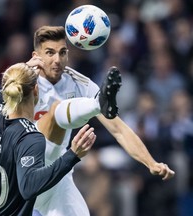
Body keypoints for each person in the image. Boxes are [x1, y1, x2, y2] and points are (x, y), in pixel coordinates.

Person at [24, 26, 175, 216]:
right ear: (36, 55)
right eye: (50, 53)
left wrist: (151, 163)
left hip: (57, 172)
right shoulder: (22, 81)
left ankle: (97, 104)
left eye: (62, 52)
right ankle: (95, 105)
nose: (57, 60)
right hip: (22, 171)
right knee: (56, 113)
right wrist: (23, 77)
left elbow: (118, 128)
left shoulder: (79, 83)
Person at [0, 62, 97, 216]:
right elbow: (29, 187)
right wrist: (72, 155)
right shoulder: (30, 137)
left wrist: (18, 74)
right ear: (36, 90)